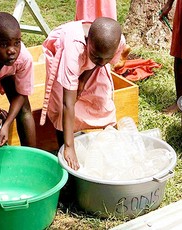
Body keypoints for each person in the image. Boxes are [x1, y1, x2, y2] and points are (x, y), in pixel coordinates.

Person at [40, 17, 128, 170]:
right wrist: (70, 146)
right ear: (88, 42)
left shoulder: (116, 43)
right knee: (62, 101)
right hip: (62, 55)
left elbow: (99, 62)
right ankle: (64, 150)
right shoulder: (73, 50)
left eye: (107, 58)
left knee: (100, 97)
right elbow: (68, 103)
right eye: (96, 56)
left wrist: (83, 79)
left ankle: (110, 147)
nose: (102, 62)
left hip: (90, 57)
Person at [0, 12, 36, 147]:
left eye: (17, 42)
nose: (12, 50)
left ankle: (30, 157)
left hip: (9, 73)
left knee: (24, 109)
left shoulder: (23, 59)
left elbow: (21, 94)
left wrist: (7, 123)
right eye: (4, 44)